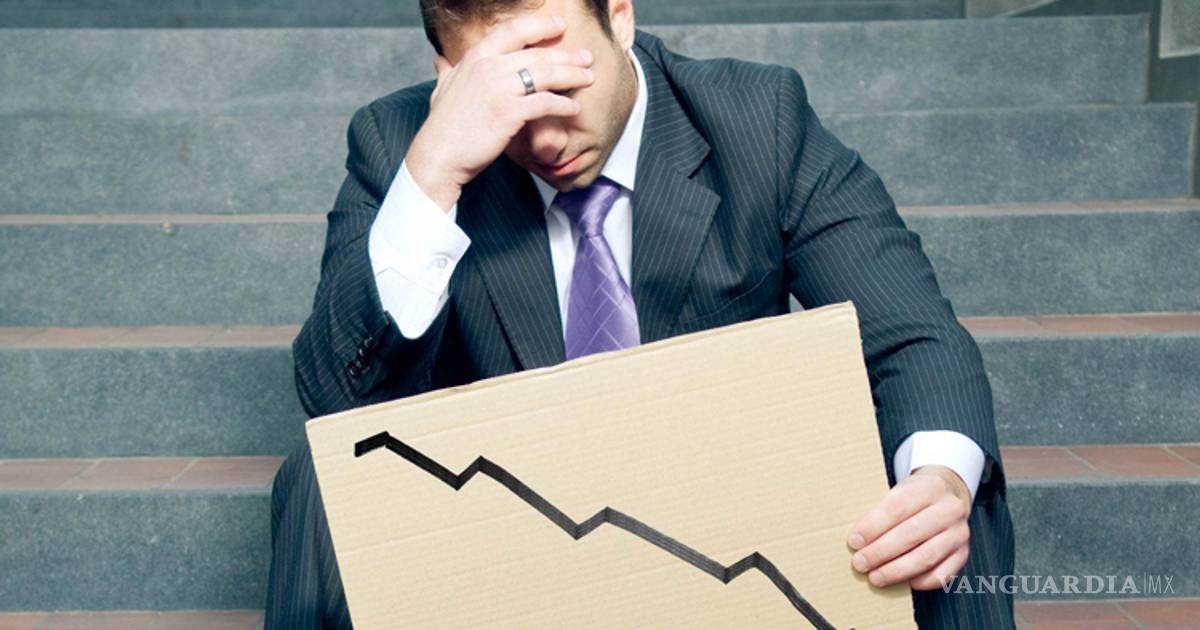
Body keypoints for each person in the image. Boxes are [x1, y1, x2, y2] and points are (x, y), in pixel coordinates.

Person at [265, 0, 1015, 627]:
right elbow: (340, 409)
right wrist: (434, 175)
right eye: (508, 93)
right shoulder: (402, 145)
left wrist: (940, 483)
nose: (544, 136)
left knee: (937, 486)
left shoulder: (760, 119)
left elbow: (913, 338)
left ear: (619, 16)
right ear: (449, 78)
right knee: (319, 481)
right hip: (518, 532)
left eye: (561, 80)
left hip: (727, 525)